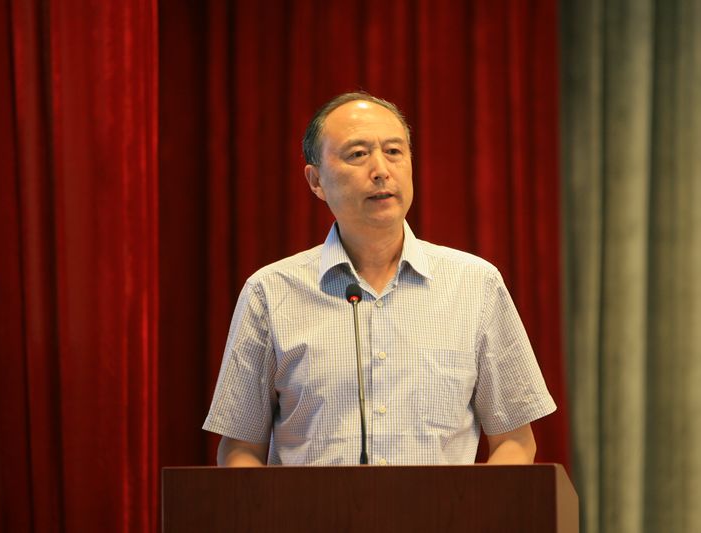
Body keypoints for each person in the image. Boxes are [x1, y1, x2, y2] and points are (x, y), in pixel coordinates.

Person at [203, 92, 556, 466]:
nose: (381, 170)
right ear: (316, 180)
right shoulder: (271, 292)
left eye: (393, 151)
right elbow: (241, 448)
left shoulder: (476, 285)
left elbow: (515, 441)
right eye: (357, 154)